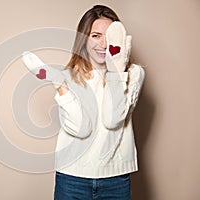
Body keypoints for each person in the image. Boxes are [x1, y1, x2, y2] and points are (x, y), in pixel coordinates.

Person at [22, 5, 145, 200]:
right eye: (96, 35)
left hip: (115, 179)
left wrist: (117, 70)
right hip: (72, 178)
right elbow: (80, 128)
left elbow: (112, 119)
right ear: (84, 39)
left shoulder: (133, 74)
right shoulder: (67, 76)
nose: (104, 44)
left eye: (110, 36)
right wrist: (59, 84)